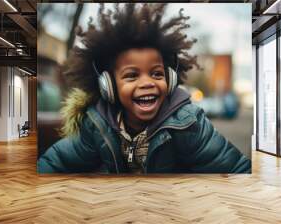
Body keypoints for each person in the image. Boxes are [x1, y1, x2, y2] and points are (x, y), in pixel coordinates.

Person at [37, 3, 251, 174]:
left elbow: (234, 168)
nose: (147, 82)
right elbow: (55, 162)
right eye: (131, 76)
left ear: (171, 79)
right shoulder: (96, 124)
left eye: (157, 74)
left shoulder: (188, 122)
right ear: (108, 86)